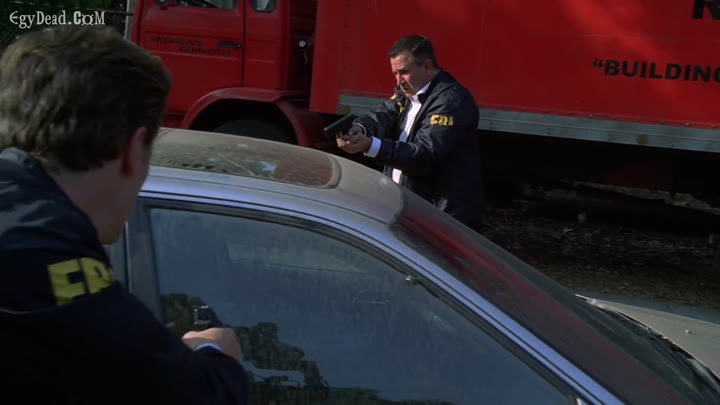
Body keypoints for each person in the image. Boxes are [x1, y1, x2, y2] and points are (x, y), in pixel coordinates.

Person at [0, 26, 248, 403]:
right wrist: (214, 355)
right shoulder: (41, 244)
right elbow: (193, 396)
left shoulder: (18, 214)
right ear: (134, 149)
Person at [337, 34, 486, 230]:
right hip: (412, 209)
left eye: (404, 72)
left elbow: (424, 155)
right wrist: (360, 128)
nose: (399, 81)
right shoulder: (408, 91)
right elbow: (384, 114)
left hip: (442, 218)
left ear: (427, 66)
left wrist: (371, 146)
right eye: (395, 73)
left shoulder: (451, 101)